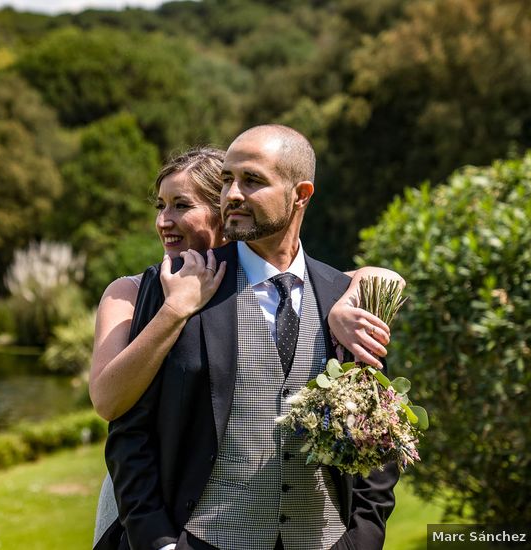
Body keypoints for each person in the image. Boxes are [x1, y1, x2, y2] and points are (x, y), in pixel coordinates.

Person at [93, 142, 401, 549]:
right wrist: (161, 543)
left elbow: (377, 428)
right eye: (227, 182)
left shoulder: (338, 296)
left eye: (180, 205)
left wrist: (361, 538)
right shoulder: (160, 289)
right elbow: (128, 427)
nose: (164, 220)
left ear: (299, 195)